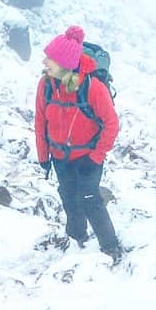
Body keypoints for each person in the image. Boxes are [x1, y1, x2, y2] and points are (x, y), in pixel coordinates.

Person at [35, 25, 122, 261]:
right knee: (68, 198)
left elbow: (112, 124)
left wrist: (96, 158)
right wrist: (43, 156)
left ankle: (111, 247)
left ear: (64, 64)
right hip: (60, 157)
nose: (44, 62)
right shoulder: (46, 85)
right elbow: (40, 120)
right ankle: (77, 240)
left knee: (90, 200)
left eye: (50, 59)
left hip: (87, 158)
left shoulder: (93, 88)